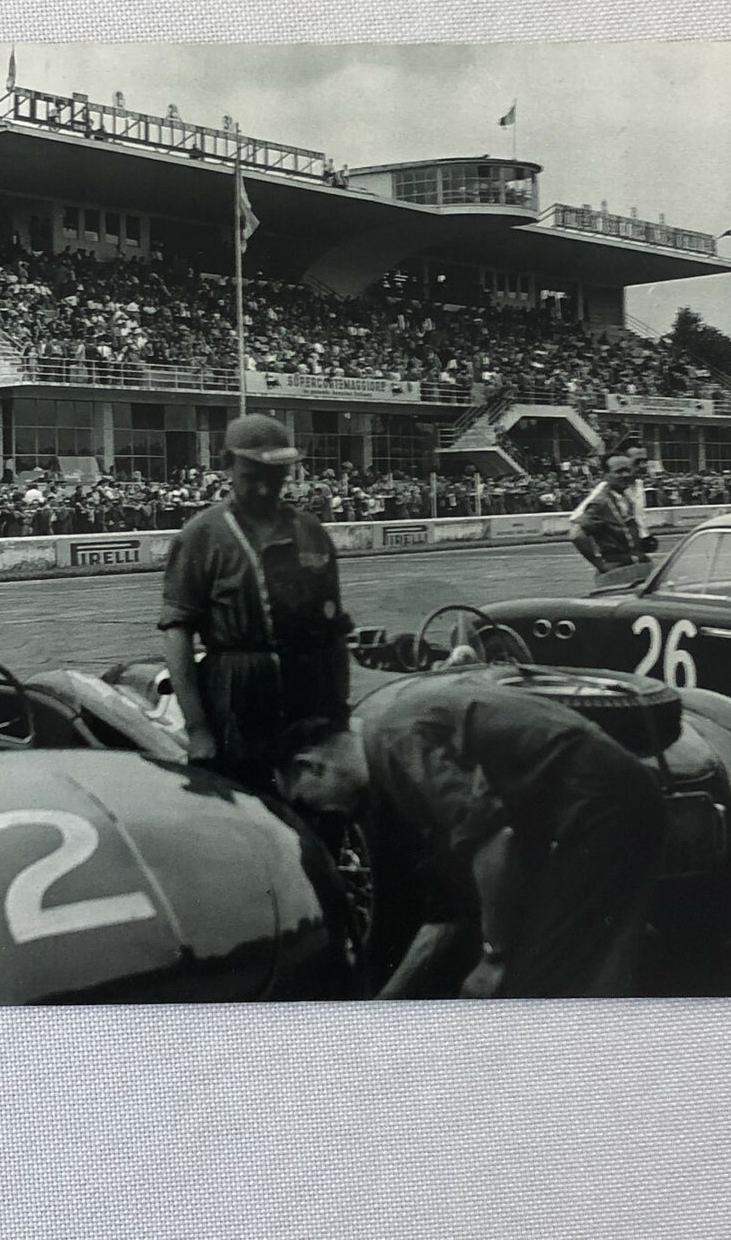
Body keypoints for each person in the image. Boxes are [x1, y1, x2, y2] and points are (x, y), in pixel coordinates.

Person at [275, 667, 667, 999]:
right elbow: (447, 907)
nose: (320, 813)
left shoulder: (396, 744)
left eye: (306, 802)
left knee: (545, 979)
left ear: (312, 766)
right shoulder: (389, 729)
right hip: (601, 799)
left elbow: (496, 840)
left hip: (604, 805)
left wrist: (494, 958)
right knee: (575, 963)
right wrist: (386, 1000)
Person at [159, 414, 353, 792]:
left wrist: (339, 711)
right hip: (237, 697)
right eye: (252, 477)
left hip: (309, 693)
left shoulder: (310, 531)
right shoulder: (202, 535)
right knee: (248, 810)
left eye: (276, 477)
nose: (265, 489)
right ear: (226, 465)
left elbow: (335, 633)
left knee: (319, 810)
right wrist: (199, 730)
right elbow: (177, 634)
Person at [570, 452, 650, 574]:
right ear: (606, 475)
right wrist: (601, 565)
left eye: (628, 470)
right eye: (619, 471)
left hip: (636, 564)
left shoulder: (625, 497)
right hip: (618, 568)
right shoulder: (601, 501)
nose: (626, 475)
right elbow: (577, 535)